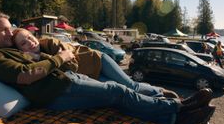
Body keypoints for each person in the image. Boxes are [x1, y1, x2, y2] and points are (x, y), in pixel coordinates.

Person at [0, 12, 215, 124]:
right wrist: (61, 59)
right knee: (117, 91)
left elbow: (40, 45)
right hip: (55, 93)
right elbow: (25, 76)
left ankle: (178, 110)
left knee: (116, 91)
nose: (9, 33)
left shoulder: (8, 48)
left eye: (10, 28)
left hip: (67, 81)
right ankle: (177, 112)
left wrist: (57, 54)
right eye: (3, 30)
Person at [12, 28, 178, 98]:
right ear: (21, 50)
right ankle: (161, 101)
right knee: (121, 92)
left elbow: (72, 66)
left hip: (98, 59)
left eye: (30, 37)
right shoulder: (31, 61)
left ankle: (161, 92)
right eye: (23, 43)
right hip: (91, 75)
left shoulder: (51, 43)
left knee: (130, 84)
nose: (30, 42)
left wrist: (41, 56)